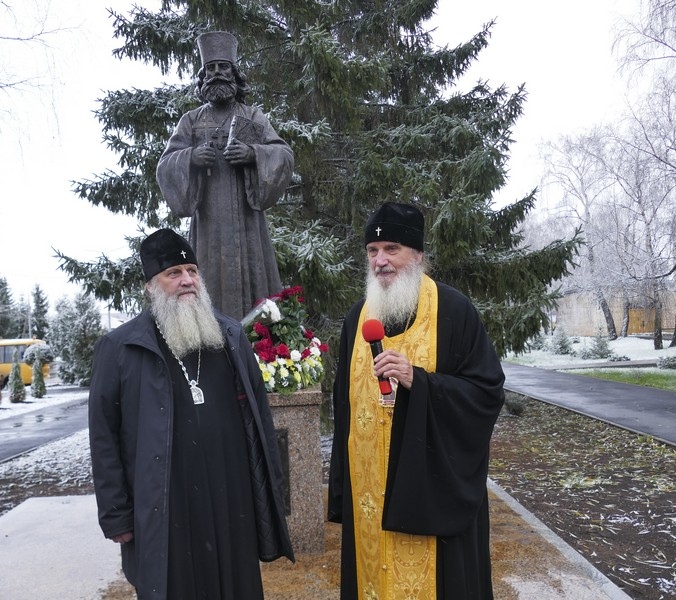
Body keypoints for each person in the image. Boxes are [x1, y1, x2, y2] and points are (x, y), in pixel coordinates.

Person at [88, 228, 294, 600]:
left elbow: (260, 418)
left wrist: (270, 490)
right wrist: (116, 514)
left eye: (192, 271)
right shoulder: (120, 348)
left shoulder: (229, 335)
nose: (187, 280)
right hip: (166, 503)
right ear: (151, 286)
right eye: (174, 273)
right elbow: (104, 437)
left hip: (231, 499)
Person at [327, 202, 506, 599]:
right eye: (373, 251)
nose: (380, 261)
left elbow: (486, 393)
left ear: (418, 255)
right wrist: (341, 490)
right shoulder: (358, 319)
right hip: (370, 492)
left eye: (392, 249)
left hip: (433, 491)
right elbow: (344, 409)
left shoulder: (454, 311)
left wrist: (418, 382)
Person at [156, 31, 294, 321]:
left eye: (223, 67)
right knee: (207, 286)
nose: (217, 73)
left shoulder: (252, 116)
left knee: (256, 293)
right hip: (208, 227)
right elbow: (166, 165)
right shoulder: (191, 121)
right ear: (203, 75)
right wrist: (191, 157)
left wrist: (253, 154)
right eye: (211, 68)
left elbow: (283, 154)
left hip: (248, 225)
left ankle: (259, 341)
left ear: (234, 73)